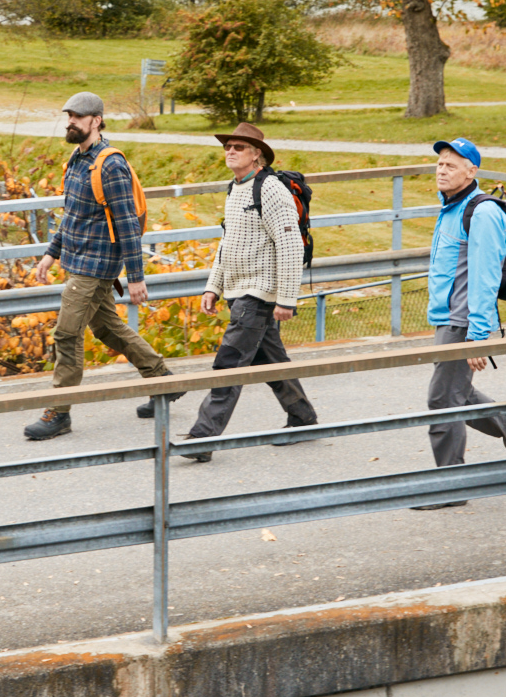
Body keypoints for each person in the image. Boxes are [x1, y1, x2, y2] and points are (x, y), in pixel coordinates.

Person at [24, 91, 170, 441]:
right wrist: (51, 253)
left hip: (97, 264)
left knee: (66, 333)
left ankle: (59, 412)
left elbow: (127, 224)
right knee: (107, 328)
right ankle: (163, 380)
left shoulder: (110, 164)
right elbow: (73, 216)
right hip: (77, 260)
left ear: (97, 120)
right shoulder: (77, 160)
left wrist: (136, 277)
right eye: (69, 116)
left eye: (78, 116)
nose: (71, 122)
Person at [176, 122, 319, 463]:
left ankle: (201, 438)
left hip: (259, 293)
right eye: (228, 146)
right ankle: (302, 418)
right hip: (239, 290)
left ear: (257, 155)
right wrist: (213, 286)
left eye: (238, 147)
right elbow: (228, 243)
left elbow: (289, 246)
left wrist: (287, 299)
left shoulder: (270, 190)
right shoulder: (236, 188)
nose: (230, 151)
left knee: (229, 364)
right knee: (272, 361)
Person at [421, 136, 506, 499]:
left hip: (463, 322)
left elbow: (485, 276)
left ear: (471, 172)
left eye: (451, 165)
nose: (442, 170)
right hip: (448, 318)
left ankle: (450, 487)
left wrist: (478, 334)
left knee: (443, 402)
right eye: (440, 164)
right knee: (458, 394)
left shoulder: (482, 213)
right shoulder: (451, 208)